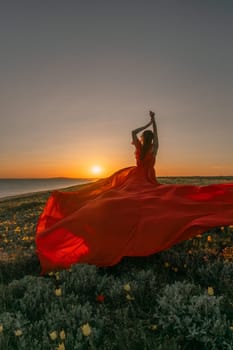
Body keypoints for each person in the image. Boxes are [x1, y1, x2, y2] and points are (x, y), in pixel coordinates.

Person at [36, 111, 233, 274]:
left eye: (142, 137)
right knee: (148, 205)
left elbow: (132, 132)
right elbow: (150, 138)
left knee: (119, 203)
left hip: (138, 181)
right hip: (143, 181)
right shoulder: (151, 151)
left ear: (142, 139)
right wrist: (154, 123)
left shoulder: (141, 149)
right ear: (152, 140)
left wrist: (148, 123)